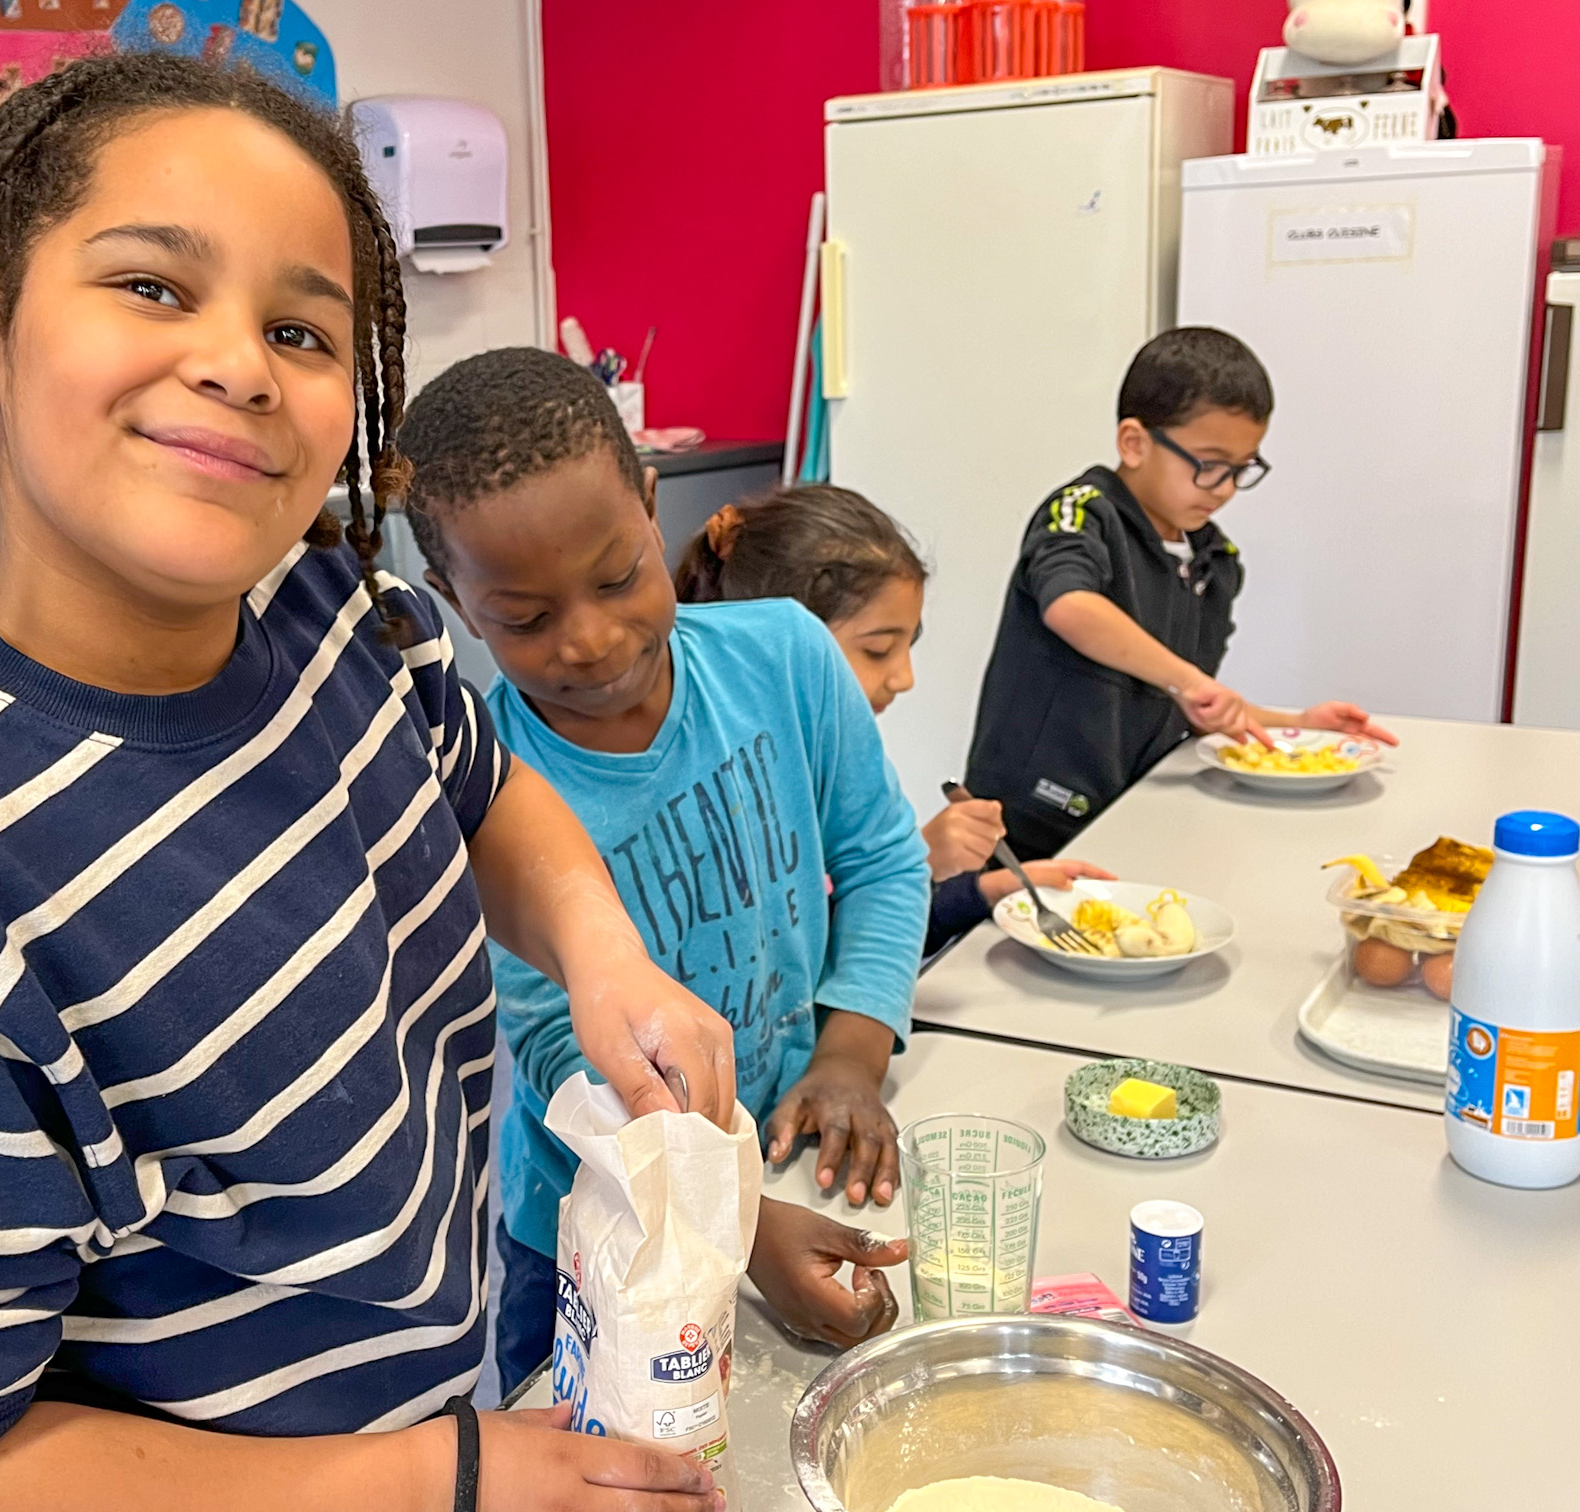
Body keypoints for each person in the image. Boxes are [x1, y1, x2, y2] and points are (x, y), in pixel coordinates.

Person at [0, 55, 742, 1512]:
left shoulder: (342, 620)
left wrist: (603, 953)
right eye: (154, 288)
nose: (243, 363)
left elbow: (480, 787)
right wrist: (430, 1481)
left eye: (303, 328)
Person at [397, 348, 928, 1396]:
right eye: (526, 619)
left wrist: (852, 1054)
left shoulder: (785, 656)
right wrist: (729, 1219)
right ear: (454, 602)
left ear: (650, 506)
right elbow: (558, 1049)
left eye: (614, 578)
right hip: (601, 1235)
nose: (589, 640)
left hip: (785, 1150)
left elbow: (880, 859)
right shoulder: (477, 795)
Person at [965, 327, 1398, 860]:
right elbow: (1070, 606)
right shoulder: (1083, 513)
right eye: (1209, 464)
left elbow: (1198, 705)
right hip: (1032, 817)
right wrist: (1189, 682)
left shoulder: (1215, 561)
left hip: (1134, 806)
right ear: (1135, 443)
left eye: (1242, 468)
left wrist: (1298, 725)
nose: (1225, 488)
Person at [673, 483, 1111, 957]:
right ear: (779, 640)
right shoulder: (719, 795)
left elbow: (877, 943)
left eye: (907, 646)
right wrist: (914, 864)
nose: (904, 678)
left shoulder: (831, 762)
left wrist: (980, 892)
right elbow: (799, 960)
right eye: (878, 650)